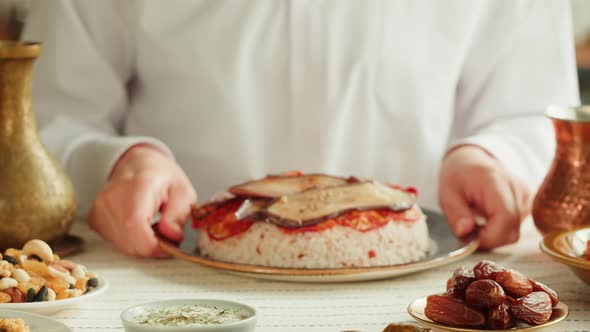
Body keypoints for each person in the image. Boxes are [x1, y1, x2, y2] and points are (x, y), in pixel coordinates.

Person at [23, 0, 579, 257]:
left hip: (429, 285)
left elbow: (534, 110)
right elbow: (45, 117)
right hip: (166, 280)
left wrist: (490, 155)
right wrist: (119, 161)